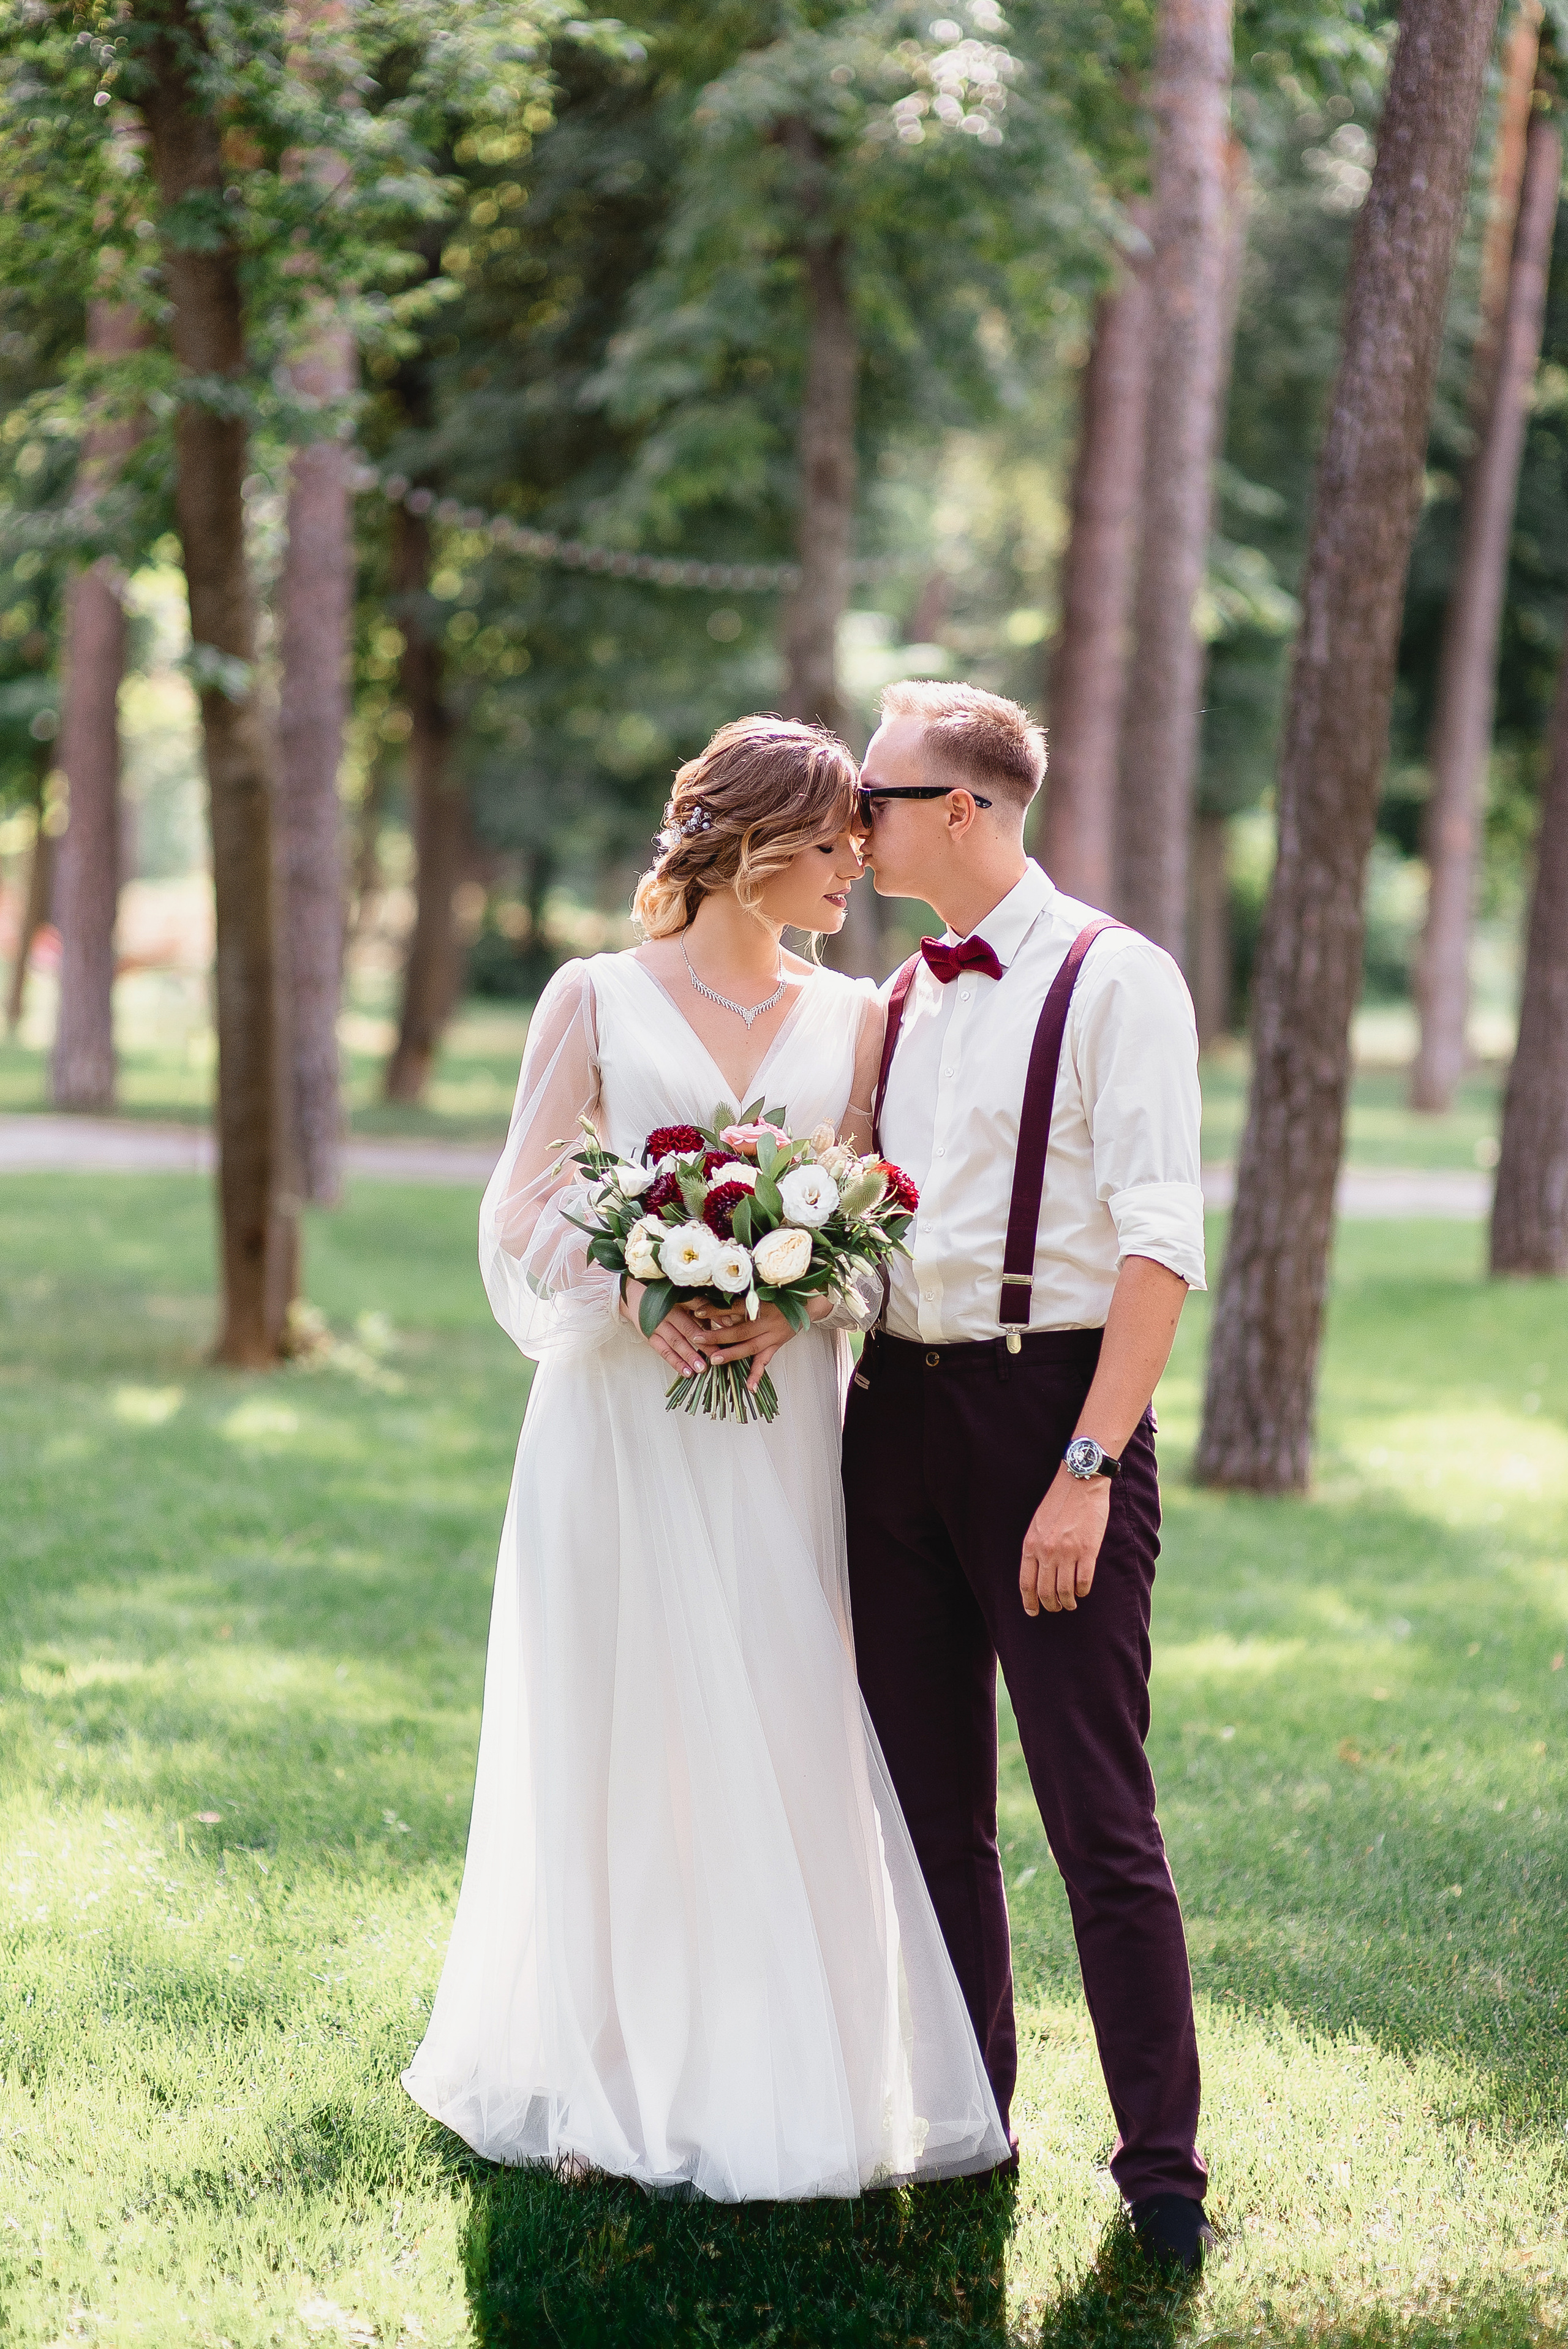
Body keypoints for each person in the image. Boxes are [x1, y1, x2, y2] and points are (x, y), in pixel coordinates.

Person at [403, 714, 1011, 2200]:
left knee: (780, 1712)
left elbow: (875, 1223)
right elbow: (523, 1200)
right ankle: (601, 2060)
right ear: (751, 849)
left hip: (779, 1429)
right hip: (616, 1420)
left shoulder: (858, 1016)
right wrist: (639, 1286)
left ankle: (774, 2058)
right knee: (613, 1721)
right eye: (828, 850)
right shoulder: (596, 997)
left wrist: (792, 1295)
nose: (852, 875)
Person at [843, 679, 1212, 2273]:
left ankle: (1163, 2175)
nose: (853, 820)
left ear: (967, 810)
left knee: (1094, 1815)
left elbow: (1160, 1243)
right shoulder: (904, 996)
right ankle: (965, 2115)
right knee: (930, 1810)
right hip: (895, 1420)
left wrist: (1087, 1466)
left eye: (877, 794)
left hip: (1047, 1413)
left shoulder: (1118, 978)